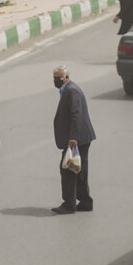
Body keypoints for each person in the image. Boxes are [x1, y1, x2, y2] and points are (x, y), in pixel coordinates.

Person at [51, 65, 96, 214]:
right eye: (54, 78)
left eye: (58, 78)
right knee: (79, 170)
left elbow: (77, 115)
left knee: (68, 170)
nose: (56, 81)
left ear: (67, 77)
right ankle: (85, 201)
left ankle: (69, 204)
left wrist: (73, 138)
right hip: (80, 137)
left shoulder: (72, 91)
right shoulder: (67, 90)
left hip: (77, 138)